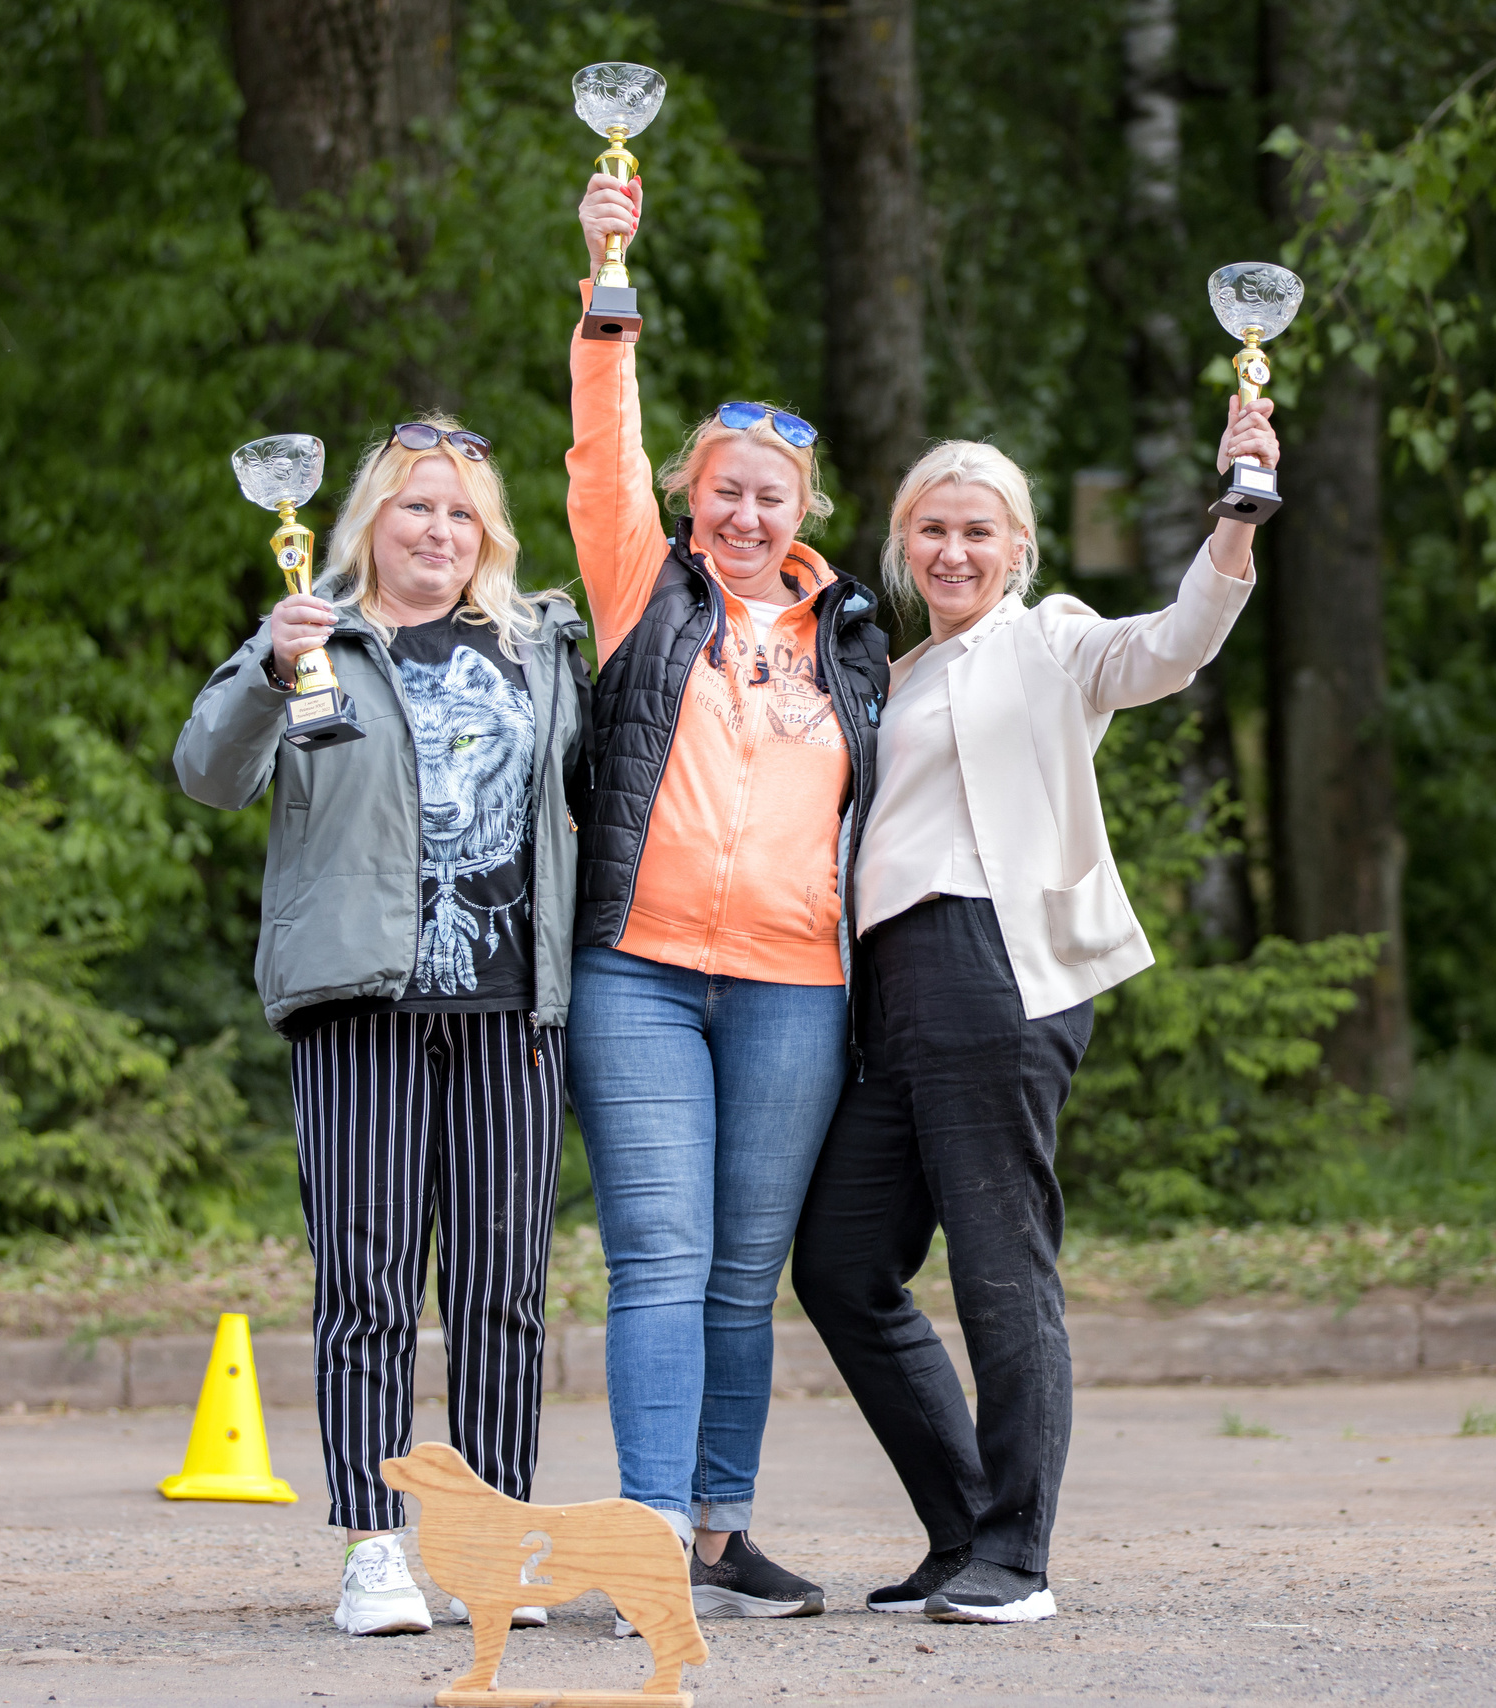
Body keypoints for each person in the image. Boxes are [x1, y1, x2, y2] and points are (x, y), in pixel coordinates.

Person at [791, 420, 1275, 1624]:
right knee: (844, 1265)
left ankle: (1019, 1553)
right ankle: (963, 1532)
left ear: (1017, 545)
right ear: (904, 544)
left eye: (978, 531)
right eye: (933, 529)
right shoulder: (889, 676)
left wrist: (1235, 515)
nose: (954, 550)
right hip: (887, 992)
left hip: (992, 969)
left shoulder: (1050, 641)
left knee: (1001, 1267)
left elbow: (1172, 646)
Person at [172, 416, 594, 1637]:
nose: (439, 531)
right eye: (416, 507)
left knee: (504, 1286)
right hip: (360, 1002)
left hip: (514, 1003)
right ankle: (373, 1543)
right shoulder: (318, 633)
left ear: (488, 536)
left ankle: (497, 1531)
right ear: (368, 522)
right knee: (367, 1282)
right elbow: (209, 773)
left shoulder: (539, 642)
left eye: (462, 513)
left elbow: (591, 796)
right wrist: (266, 659)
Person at [565, 170, 888, 1620]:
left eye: (774, 496)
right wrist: (605, 286)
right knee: (662, 1255)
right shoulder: (646, 587)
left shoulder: (855, 638)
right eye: (725, 489)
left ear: (805, 511)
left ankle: (718, 1533)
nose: (747, 512)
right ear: (693, 499)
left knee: (742, 1271)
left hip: (796, 987)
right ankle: (641, 1541)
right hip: (637, 969)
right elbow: (598, 453)